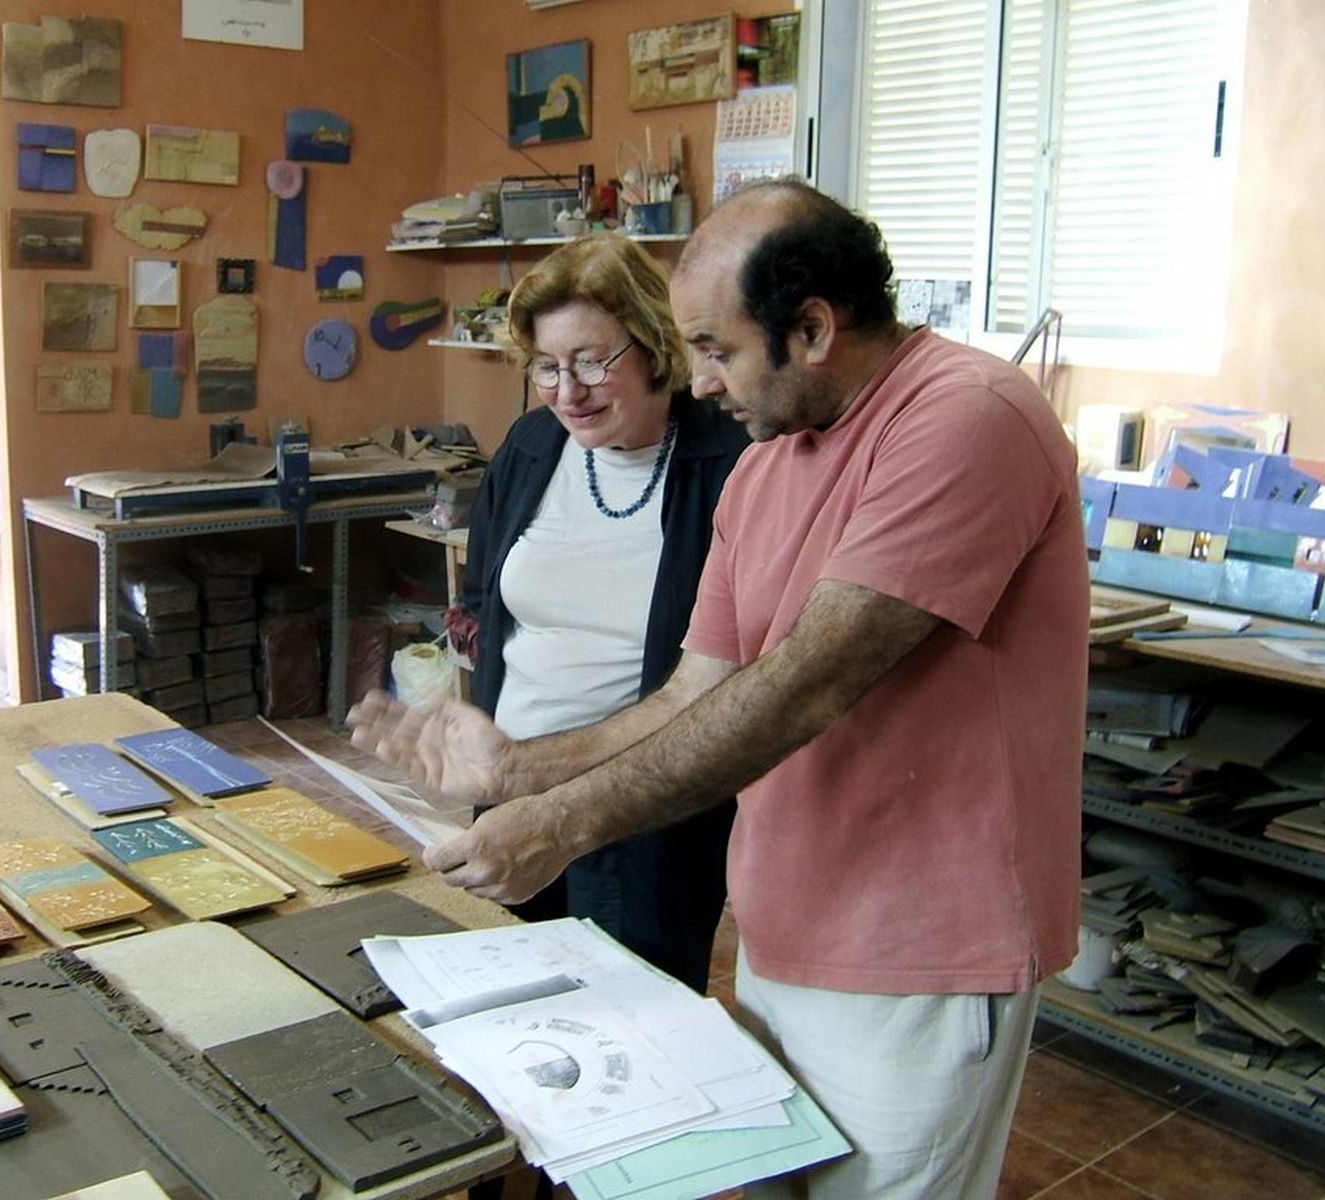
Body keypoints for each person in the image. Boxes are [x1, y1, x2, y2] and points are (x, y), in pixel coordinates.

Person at [350, 179, 1088, 1199]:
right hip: (787, 921)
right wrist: (518, 769)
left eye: (714, 349)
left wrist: (561, 825)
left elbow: (799, 690)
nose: (696, 383)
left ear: (813, 328)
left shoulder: (964, 419)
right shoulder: (769, 463)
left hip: (921, 951)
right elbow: (694, 692)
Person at [453, 231, 749, 992]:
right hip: (512, 786)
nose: (568, 392)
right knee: (511, 1006)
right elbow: (483, 602)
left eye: (592, 361)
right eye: (547, 368)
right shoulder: (530, 446)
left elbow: (731, 671)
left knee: (629, 1026)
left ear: (654, 346)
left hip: (637, 815)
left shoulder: (731, 465)